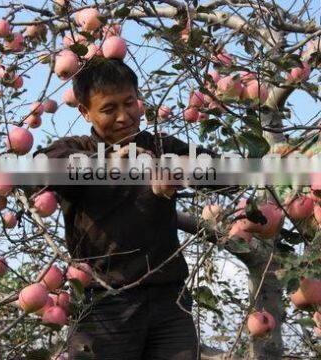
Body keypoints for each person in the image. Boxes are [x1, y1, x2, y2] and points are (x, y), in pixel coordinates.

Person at [32, 57, 219, 360]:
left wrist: (180, 169)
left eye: (129, 103)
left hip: (169, 301)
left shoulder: (160, 146)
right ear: (85, 111)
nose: (124, 117)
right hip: (104, 303)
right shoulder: (76, 151)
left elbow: (224, 175)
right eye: (108, 109)